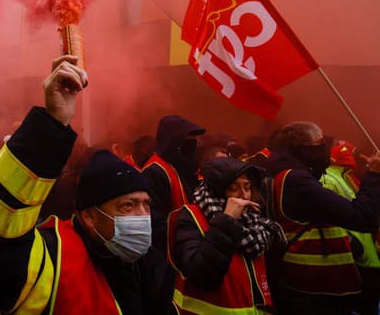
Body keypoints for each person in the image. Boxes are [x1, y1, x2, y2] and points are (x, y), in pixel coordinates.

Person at [0, 55, 176, 314]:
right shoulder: (53, 261)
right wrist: (50, 124)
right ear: (90, 217)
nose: (142, 218)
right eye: (128, 206)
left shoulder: (151, 266)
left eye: (146, 205)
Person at [265, 122, 380, 314]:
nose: (324, 149)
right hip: (314, 287)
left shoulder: (283, 174)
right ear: (301, 149)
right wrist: (375, 175)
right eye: (318, 144)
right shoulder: (297, 181)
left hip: (308, 283)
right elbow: (360, 217)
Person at [169, 157, 284, 314]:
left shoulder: (254, 221)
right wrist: (227, 221)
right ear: (216, 191)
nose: (243, 195)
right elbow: (202, 276)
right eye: (233, 188)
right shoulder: (192, 217)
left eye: (247, 187)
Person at [320, 140, 380, 315]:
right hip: (357, 260)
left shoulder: (347, 176)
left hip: (370, 255)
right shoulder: (327, 179)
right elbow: (334, 218)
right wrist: (354, 245)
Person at [142, 115, 205, 254]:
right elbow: (155, 222)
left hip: (189, 247)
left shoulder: (182, 166)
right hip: (169, 253)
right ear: (173, 141)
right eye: (189, 137)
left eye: (195, 137)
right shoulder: (154, 171)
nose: (193, 142)